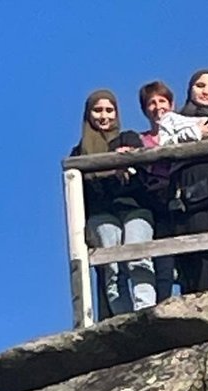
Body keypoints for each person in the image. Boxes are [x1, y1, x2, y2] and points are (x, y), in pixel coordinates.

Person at [70, 89, 156, 318]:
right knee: (113, 267)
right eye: (97, 110)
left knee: (139, 257)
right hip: (101, 214)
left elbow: (144, 170)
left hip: (134, 207)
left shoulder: (128, 138)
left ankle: (147, 313)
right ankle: (123, 319)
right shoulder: (78, 152)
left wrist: (128, 157)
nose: (104, 116)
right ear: (88, 114)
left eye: (109, 110)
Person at [158, 69, 208, 293]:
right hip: (189, 191)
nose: (206, 91)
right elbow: (163, 146)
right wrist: (195, 132)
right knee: (196, 256)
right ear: (190, 88)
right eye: (200, 85)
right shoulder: (172, 118)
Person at [137, 81, 176, 301]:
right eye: (151, 103)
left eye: (162, 101)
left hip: (181, 199)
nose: (157, 106)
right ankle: (162, 305)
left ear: (171, 105)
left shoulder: (186, 132)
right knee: (163, 259)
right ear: (145, 110)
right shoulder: (141, 140)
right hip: (155, 203)